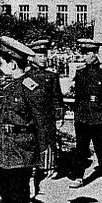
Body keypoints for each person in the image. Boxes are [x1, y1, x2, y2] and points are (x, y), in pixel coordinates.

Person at [0, 37, 58, 203]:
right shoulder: (11, 86)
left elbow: (45, 125)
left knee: (19, 199)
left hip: (23, 152)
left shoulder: (32, 87)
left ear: (13, 63)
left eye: (2, 61)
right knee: (8, 199)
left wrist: (47, 158)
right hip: (5, 151)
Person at [69, 39, 102, 188]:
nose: (85, 56)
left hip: (100, 115)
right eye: (83, 53)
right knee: (81, 149)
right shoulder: (80, 71)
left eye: (88, 53)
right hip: (83, 115)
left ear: (96, 53)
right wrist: (77, 113)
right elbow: (78, 95)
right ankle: (79, 176)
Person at [27, 39, 65, 191]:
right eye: (40, 55)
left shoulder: (51, 76)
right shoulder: (26, 76)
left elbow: (57, 97)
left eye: (45, 55)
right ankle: (32, 170)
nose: (44, 58)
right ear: (32, 57)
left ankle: (48, 167)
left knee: (47, 141)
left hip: (46, 117)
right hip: (31, 117)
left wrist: (59, 115)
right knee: (31, 142)